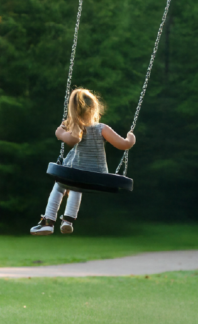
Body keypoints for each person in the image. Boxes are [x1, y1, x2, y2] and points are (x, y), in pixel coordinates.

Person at [30, 88, 136, 235]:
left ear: (73, 110)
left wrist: (60, 133)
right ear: (94, 108)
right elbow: (123, 145)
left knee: (62, 184)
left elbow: (73, 140)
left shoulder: (75, 128)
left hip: (76, 173)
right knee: (76, 186)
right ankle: (68, 220)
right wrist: (131, 138)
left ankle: (48, 221)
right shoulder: (102, 128)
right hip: (99, 175)